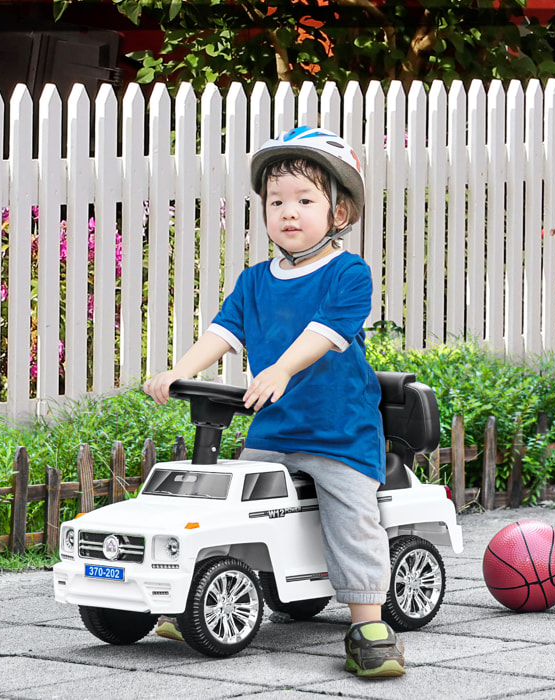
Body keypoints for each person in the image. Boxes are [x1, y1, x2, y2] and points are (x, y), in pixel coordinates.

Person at [143, 126, 404, 679]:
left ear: (340, 212)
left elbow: (324, 333)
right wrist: (181, 371)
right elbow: (223, 330)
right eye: (276, 202)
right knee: (226, 507)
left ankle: (367, 623)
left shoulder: (348, 274)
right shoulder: (256, 280)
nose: (289, 212)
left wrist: (281, 367)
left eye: (305, 200)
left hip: (339, 432)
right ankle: (204, 600)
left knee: (351, 514)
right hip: (274, 433)